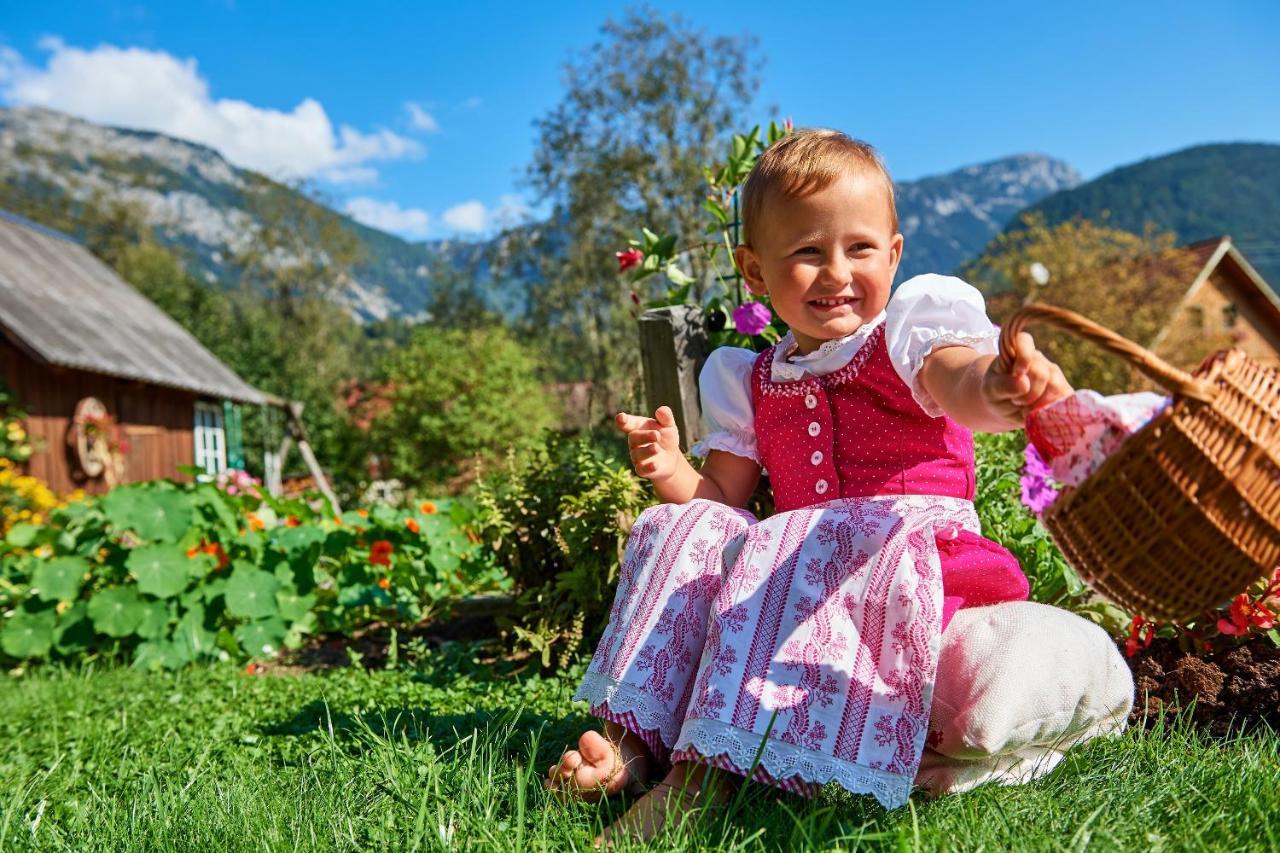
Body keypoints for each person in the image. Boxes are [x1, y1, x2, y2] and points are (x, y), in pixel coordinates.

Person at [547, 129, 1073, 842]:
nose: (835, 272)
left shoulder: (911, 336)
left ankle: (698, 782)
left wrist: (1001, 385)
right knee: (681, 526)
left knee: (790, 542)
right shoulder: (749, 378)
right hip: (802, 570)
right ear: (755, 272)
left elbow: (961, 382)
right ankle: (632, 736)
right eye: (805, 252)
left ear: (893, 255)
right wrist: (670, 469)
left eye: (859, 249)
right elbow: (722, 501)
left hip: (911, 559)